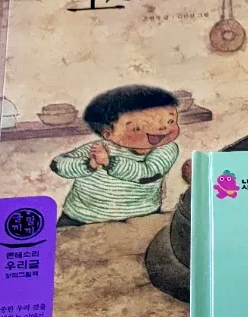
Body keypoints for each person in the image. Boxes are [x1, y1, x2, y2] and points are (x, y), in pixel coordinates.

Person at [50, 84, 180, 227]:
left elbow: (147, 173)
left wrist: (109, 162)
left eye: (170, 121)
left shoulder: (165, 149)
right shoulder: (98, 149)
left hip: (140, 218)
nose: (162, 128)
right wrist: (88, 164)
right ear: (108, 134)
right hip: (82, 219)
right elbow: (58, 164)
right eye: (137, 128)